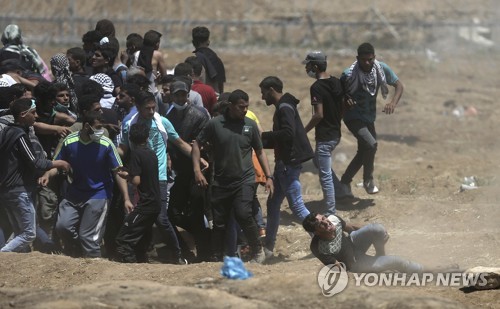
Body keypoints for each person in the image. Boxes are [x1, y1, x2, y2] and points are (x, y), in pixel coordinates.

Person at [192, 89, 274, 263]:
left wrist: (269, 176)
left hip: (244, 179)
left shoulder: (250, 125)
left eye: (246, 107)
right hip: (221, 180)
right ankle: (217, 257)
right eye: (240, 107)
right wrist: (197, 171)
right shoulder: (215, 124)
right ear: (230, 106)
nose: (244, 110)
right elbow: (197, 144)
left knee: (243, 213)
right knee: (220, 222)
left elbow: (260, 152)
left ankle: (257, 250)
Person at [42, 111, 132, 258]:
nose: (100, 131)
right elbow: (58, 164)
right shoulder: (69, 142)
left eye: (102, 127)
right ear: (86, 126)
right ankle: (78, 251)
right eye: (97, 127)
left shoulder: (106, 144)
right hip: (75, 193)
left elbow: (117, 171)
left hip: (99, 194)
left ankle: (95, 268)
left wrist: (126, 197)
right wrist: (47, 174)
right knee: (62, 226)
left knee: (88, 237)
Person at [120, 91, 196, 264]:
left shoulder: (162, 122)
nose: (152, 111)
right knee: (143, 217)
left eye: (154, 107)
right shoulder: (130, 124)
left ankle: (178, 254)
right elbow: (123, 148)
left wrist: (198, 160)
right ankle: (142, 255)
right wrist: (110, 156)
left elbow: (180, 143)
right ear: (138, 107)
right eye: (147, 108)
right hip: (139, 177)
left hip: (159, 178)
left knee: (161, 218)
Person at [0, 98, 69, 252]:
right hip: (18, 190)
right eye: (33, 112)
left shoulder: (7, 131)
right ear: (23, 115)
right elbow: (35, 162)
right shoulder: (19, 134)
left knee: (19, 232)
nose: (36, 116)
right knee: (29, 233)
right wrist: (58, 163)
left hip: (8, 190)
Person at [259, 76, 314, 258]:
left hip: (287, 165)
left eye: (263, 93)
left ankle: (322, 239)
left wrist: (263, 135)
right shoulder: (285, 106)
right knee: (273, 204)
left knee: (297, 206)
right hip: (284, 164)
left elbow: (288, 134)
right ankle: (268, 248)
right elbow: (282, 139)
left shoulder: (284, 108)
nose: (262, 97)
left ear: (272, 90)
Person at [339, 42, 404, 195]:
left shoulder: (380, 69)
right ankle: (368, 179)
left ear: (374, 57)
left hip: (369, 118)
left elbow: (399, 85)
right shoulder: (348, 74)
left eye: (370, 59)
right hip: (353, 117)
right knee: (371, 145)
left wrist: (393, 103)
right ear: (357, 58)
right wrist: (344, 100)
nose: (367, 63)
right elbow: (339, 95)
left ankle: (344, 182)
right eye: (363, 60)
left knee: (365, 150)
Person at [166, 80, 211, 262]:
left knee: (196, 212)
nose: (180, 98)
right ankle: (196, 243)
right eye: (177, 94)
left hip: (197, 172)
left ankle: (204, 253)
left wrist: (199, 153)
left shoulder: (198, 115)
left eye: (183, 94)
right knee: (172, 213)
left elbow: (204, 142)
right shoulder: (168, 116)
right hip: (181, 172)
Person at [302, 212, 424, 273]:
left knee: (377, 228)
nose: (326, 222)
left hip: (354, 243)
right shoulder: (317, 247)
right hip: (356, 263)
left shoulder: (333, 219)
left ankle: (380, 255)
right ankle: (424, 271)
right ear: (316, 232)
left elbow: (351, 228)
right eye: (320, 224)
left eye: (323, 218)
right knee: (398, 261)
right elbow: (337, 267)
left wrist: (376, 236)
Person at [302, 51, 345, 214]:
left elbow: (318, 114)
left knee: (324, 175)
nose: (306, 68)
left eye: (307, 65)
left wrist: (303, 130)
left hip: (325, 136)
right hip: (336, 132)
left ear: (314, 66)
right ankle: (341, 191)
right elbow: (343, 107)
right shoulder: (337, 82)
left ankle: (330, 211)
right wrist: (335, 120)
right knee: (318, 162)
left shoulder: (316, 87)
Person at [114, 122, 160, 263]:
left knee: (123, 239)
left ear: (131, 140)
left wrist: (125, 176)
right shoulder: (152, 154)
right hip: (156, 203)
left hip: (146, 204)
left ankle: (130, 266)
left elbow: (136, 181)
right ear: (147, 138)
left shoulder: (136, 154)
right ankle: (145, 262)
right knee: (142, 237)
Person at [191, 26, 226, 94]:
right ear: (208, 42)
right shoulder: (217, 59)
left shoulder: (195, 59)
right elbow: (221, 84)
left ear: (193, 42)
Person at [133, 30, 167, 94]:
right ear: (157, 44)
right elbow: (165, 76)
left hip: (138, 92)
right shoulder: (157, 55)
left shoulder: (136, 54)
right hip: (152, 93)